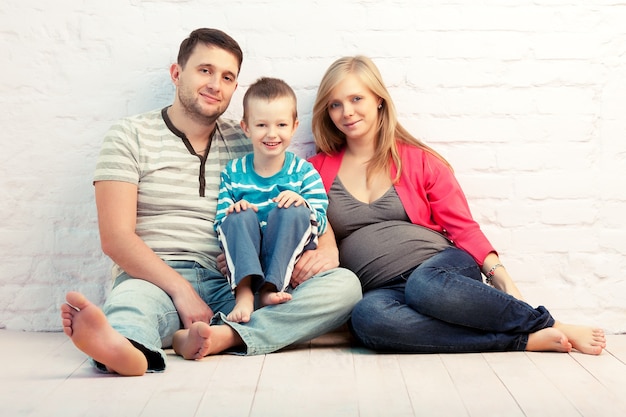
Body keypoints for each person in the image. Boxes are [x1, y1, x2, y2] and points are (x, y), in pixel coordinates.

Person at [60, 29, 361, 376]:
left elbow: (300, 192)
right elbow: (115, 238)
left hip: (236, 283)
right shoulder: (129, 135)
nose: (215, 84)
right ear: (177, 73)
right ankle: (126, 350)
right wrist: (182, 290)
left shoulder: (249, 136)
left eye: (227, 77)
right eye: (205, 70)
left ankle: (224, 336)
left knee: (344, 287)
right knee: (131, 304)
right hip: (158, 280)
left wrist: (328, 249)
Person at [309, 55, 606, 355]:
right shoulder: (315, 171)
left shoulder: (420, 161)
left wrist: (505, 283)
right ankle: (522, 340)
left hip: (440, 271)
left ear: (379, 100)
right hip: (383, 291)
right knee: (366, 319)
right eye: (335, 104)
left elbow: (463, 228)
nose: (346, 112)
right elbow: (309, 228)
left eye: (356, 98)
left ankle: (547, 323)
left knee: (423, 285)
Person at [211, 76, 328, 324]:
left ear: (295, 126)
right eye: (262, 125)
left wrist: (303, 204)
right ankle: (243, 295)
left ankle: (269, 290)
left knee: (294, 211)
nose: (272, 134)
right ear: (246, 127)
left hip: (286, 260)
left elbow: (321, 220)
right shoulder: (233, 172)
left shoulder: (304, 173)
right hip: (246, 253)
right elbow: (220, 223)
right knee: (237, 216)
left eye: (281, 125)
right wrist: (235, 210)